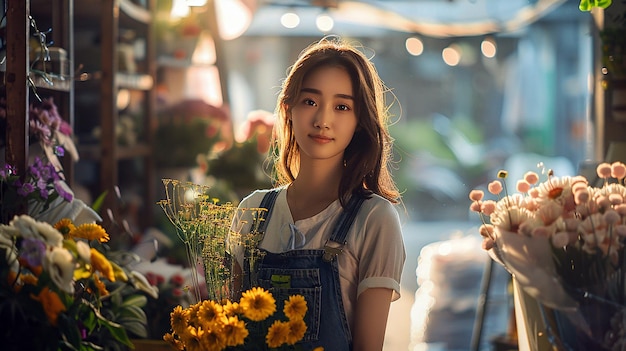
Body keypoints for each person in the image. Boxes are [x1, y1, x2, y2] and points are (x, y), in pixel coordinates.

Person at [231, 36, 406, 351]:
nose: (323, 120)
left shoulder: (374, 220)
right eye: (310, 101)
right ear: (289, 108)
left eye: (341, 107)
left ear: (359, 121)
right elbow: (231, 330)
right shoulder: (252, 211)